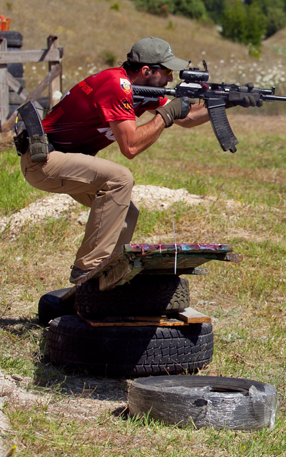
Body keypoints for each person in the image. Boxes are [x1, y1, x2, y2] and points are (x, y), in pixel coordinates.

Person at [19, 37, 211, 284]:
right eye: (166, 72)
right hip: (43, 160)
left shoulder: (139, 89)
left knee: (126, 213)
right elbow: (130, 147)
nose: (170, 78)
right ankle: (89, 268)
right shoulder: (116, 85)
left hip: (62, 159)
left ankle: (108, 275)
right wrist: (165, 116)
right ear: (146, 71)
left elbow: (185, 117)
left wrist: (220, 104)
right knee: (120, 179)